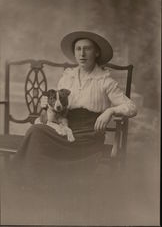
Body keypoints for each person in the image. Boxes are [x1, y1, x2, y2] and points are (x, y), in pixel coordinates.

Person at [6, 31, 137, 188]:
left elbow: (131, 107)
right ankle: (28, 184)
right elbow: (57, 102)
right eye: (78, 49)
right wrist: (47, 104)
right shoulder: (68, 76)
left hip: (88, 137)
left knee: (36, 132)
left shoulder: (105, 81)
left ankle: (19, 181)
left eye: (87, 49)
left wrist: (110, 111)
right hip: (65, 131)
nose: (82, 54)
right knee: (37, 130)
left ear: (96, 52)